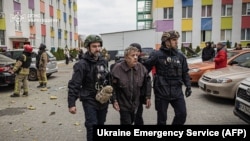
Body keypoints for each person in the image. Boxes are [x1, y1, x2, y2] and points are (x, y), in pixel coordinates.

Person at [68, 34, 112, 141]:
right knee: (92, 126)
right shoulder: (81, 64)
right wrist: (71, 103)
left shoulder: (104, 61)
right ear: (88, 47)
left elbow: (108, 80)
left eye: (99, 46)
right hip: (89, 99)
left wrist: (113, 98)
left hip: (103, 99)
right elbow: (74, 84)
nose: (97, 49)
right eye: (94, 46)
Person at [143, 30, 192, 125]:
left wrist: (188, 86)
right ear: (166, 41)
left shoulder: (180, 56)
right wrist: (145, 92)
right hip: (161, 92)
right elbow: (144, 71)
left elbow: (185, 72)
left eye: (177, 39)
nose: (176, 42)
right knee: (162, 120)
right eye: (174, 40)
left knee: (182, 115)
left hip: (177, 92)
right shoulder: (157, 55)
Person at [111, 46, 151, 125]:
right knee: (126, 122)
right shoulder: (117, 69)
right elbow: (112, 86)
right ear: (126, 57)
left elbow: (147, 82)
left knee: (136, 121)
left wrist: (147, 97)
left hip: (136, 103)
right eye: (133, 55)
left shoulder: (141, 68)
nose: (136, 57)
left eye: (136, 55)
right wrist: (114, 100)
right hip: (123, 103)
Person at [129, 42, 152, 125]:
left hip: (139, 95)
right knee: (128, 118)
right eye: (133, 50)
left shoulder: (143, 64)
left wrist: (147, 96)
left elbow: (147, 81)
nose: (136, 53)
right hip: (127, 97)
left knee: (138, 117)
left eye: (138, 51)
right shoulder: (123, 64)